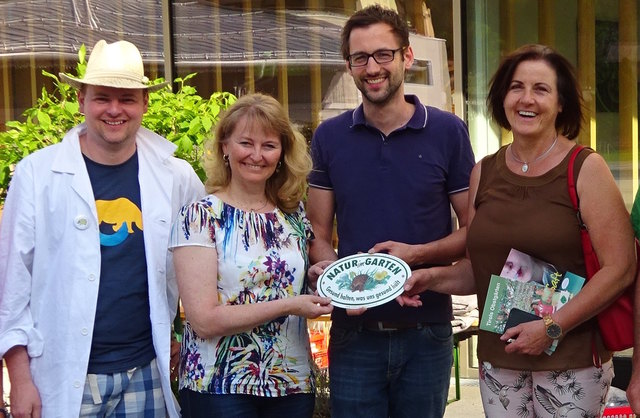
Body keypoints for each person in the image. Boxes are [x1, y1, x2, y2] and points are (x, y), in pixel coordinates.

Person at [401, 44, 636, 417]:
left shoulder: (585, 169)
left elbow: (620, 268)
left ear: (561, 104)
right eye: (516, 87)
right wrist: (428, 278)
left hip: (571, 363)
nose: (527, 99)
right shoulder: (484, 172)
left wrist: (552, 327)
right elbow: (480, 269)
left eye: (541, 89)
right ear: (502, 98)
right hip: (499, 360)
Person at [0, 39, 204, 417]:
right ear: (81, 100)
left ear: (144, 103)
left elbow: (202, 264)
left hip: (146, 371)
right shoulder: (37, 174)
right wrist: (20, 377)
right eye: (102, 98)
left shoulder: (176, 176)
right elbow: (11, 284)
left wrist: (181, 335)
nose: (114, 110)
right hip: (63, 378)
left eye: (127, 98)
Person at [306, 5, 475, 417]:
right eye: (360, 58)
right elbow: (317, 231)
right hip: (354, 332)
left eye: (383, 54)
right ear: (349, 66)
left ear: (407, 57)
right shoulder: (330, 136)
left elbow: (477, 228)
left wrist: (417, 256)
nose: (372, 67)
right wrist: (339, 286)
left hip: (427, 331)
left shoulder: (447, 131)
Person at [169, 93, 333, 418]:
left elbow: (299, 282)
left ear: (283, 154)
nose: (257, 155)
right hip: (219, 386)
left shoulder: (294, 215)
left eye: (269, 145)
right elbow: (203, 320)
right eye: (246, 143)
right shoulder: (201, 216)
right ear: (225, 147)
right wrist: (290, 305)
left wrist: (315, 278)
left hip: (291, 384)